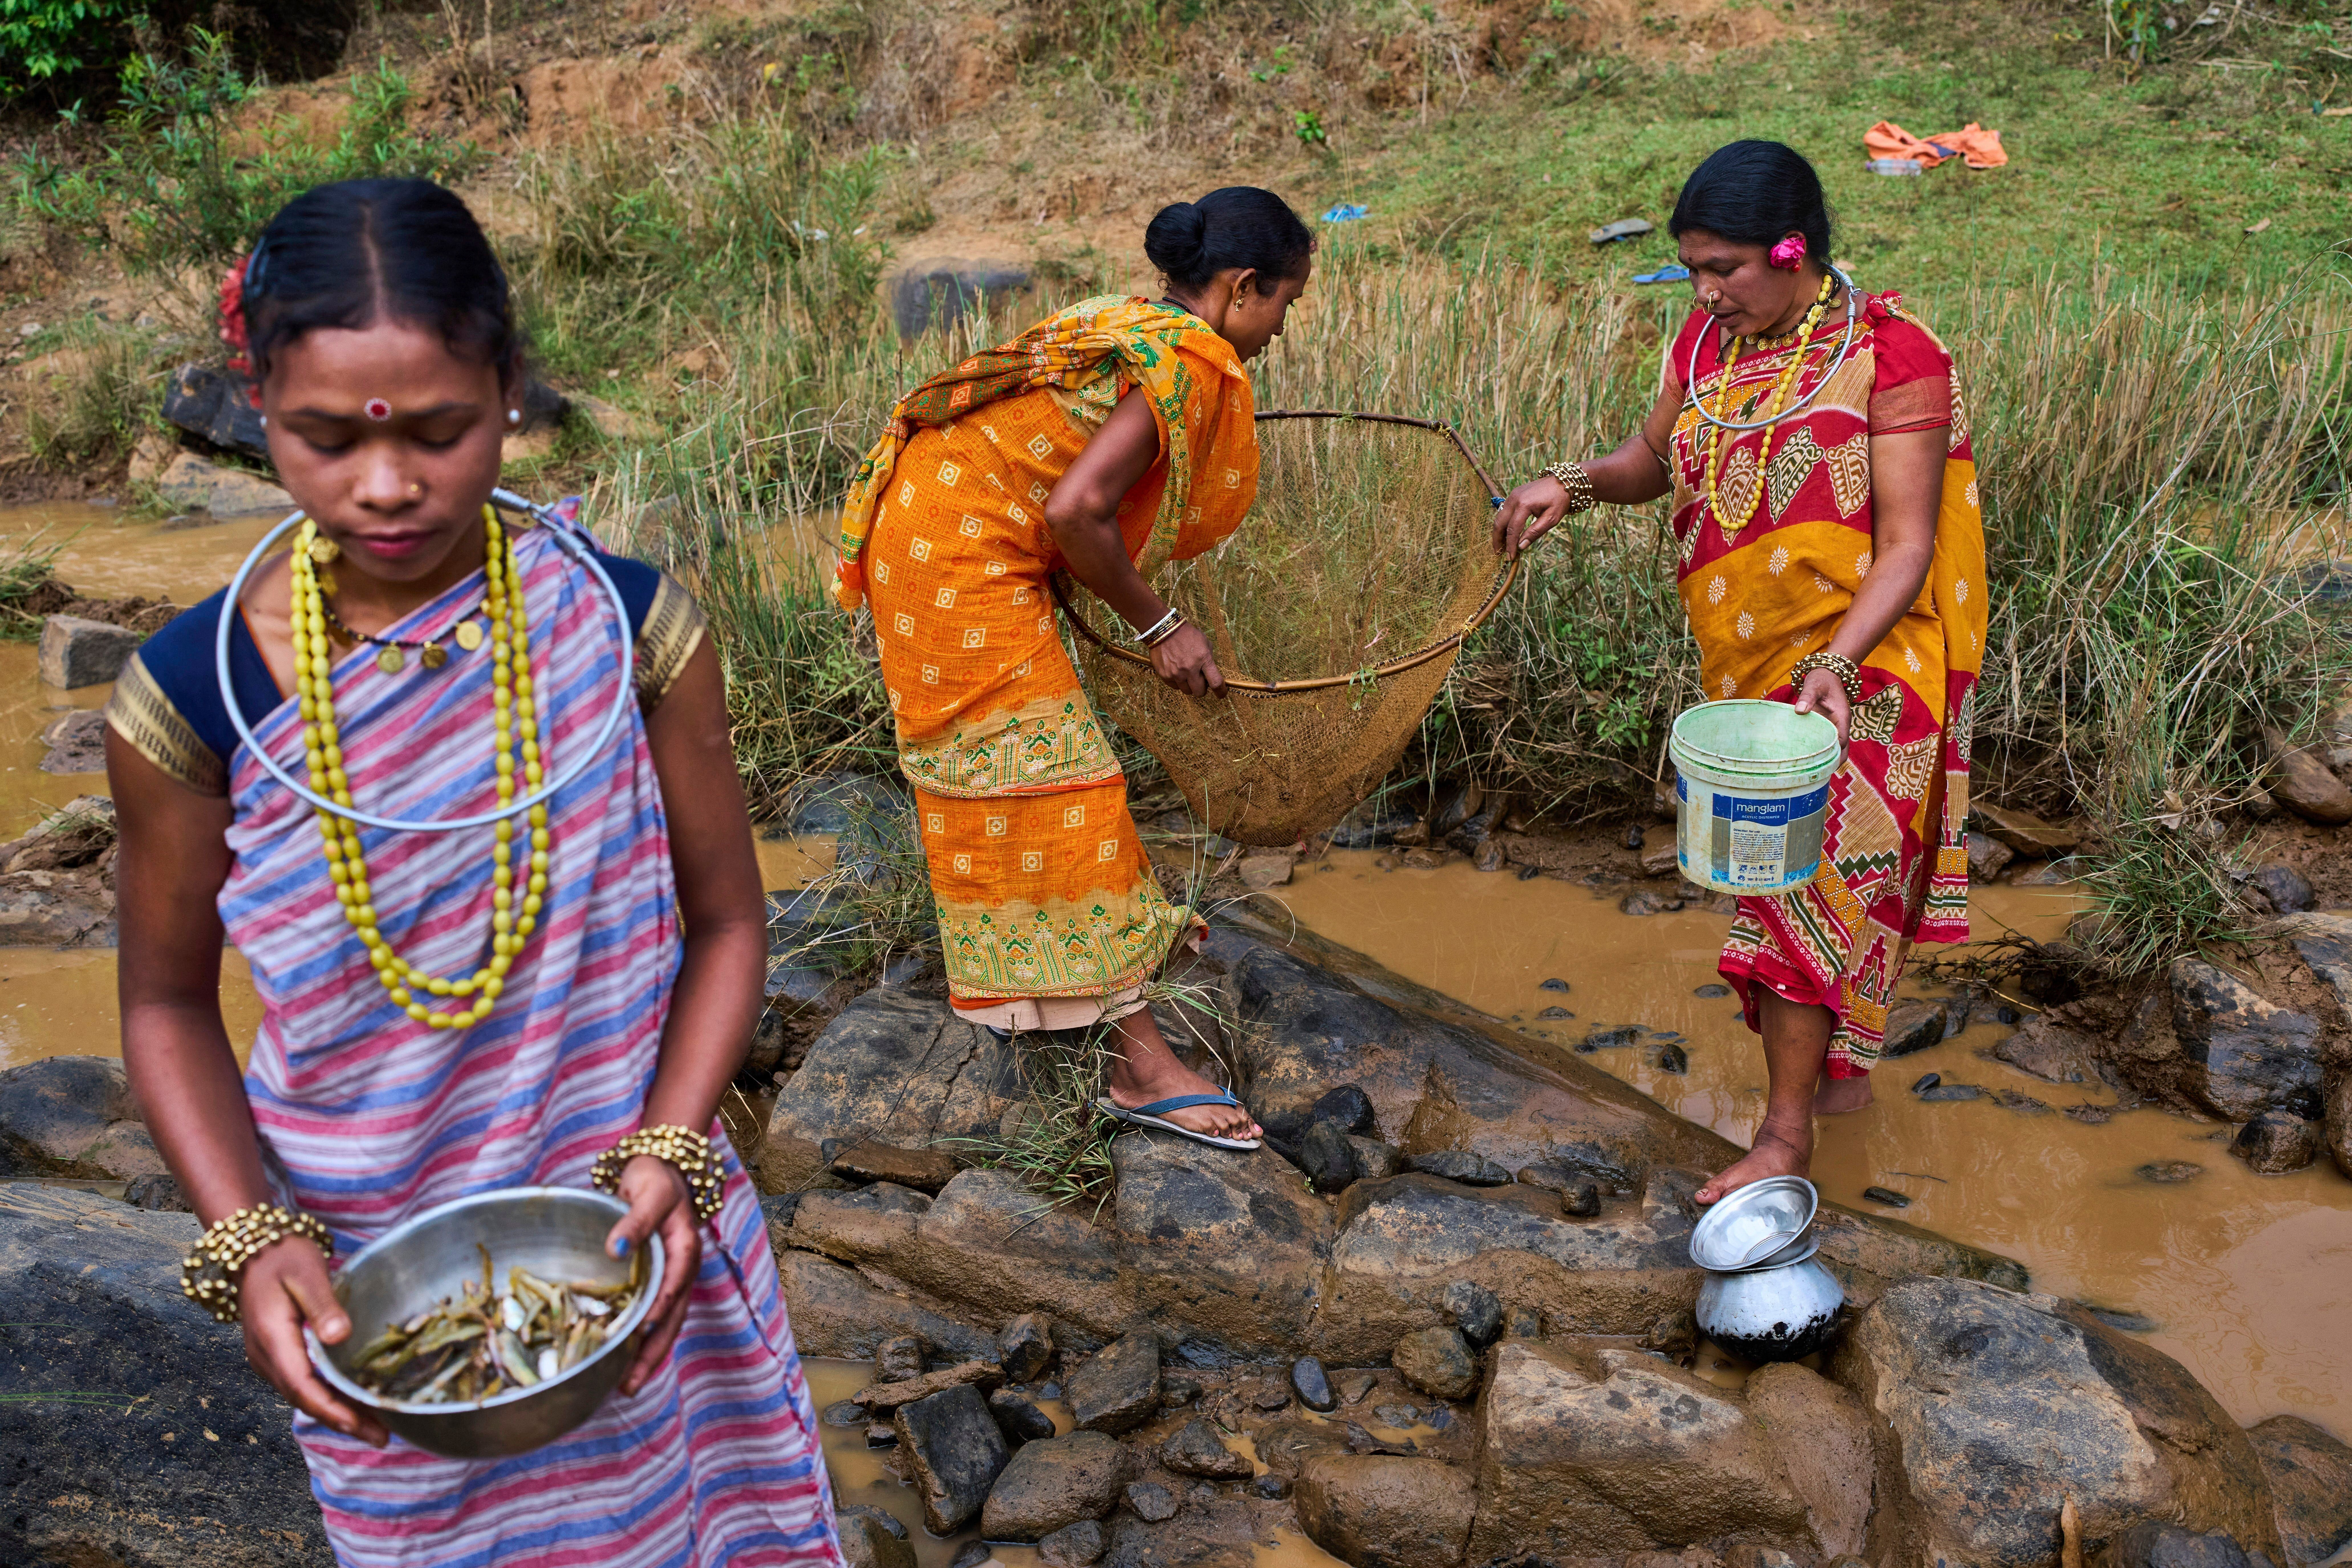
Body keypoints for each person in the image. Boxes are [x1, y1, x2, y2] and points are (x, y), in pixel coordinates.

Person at [104, 177, 841, 1566]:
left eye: (441, 433)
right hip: (384, 1297)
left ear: (510, 386)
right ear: (252, 398)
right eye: (322, 439)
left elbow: (731, 921)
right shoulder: (194, 696)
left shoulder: (627, 628)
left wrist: (673, 1148)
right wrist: (252, 1239)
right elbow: (160, 1006)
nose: (386, 486)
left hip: (643, 1249)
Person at [1492, 140, 1986, 1203]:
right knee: (1797, 884)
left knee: (1798, 885)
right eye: (1694, 272)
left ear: (1793, 250)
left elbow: (1906, 545)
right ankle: (1840, 1102)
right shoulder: (1707, 345)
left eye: (1725, 269)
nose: (1707, 292)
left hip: (1870, 667)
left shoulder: (1891, 352)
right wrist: (1568, 485)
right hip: (1754, 670)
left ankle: (1784, 1141)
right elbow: (1651, 461)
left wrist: (1834, 659)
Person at [832, 188, 1314, 1149]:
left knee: (1039, 772)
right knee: (1058, 783)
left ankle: (1066, 984)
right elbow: (1075, 511)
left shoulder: (1130, 321)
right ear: (1242, 287)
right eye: (1285, 306)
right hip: (953, 560)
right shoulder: (1187, 355)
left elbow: (1035, 474)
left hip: (934, 531)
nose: (1277, 330)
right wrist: (1162, 626)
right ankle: (1143, 1068)